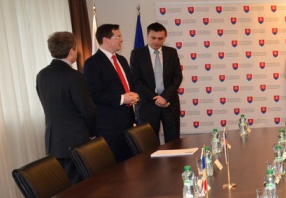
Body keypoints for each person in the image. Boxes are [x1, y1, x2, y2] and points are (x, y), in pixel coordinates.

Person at [35, 32, 98, 184]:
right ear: (71, 51)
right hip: (76, 142)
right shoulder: (74, 76)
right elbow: (87, 110)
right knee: (81, 188)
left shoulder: (41, 75)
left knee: (64, 188)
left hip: (54, 142)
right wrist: (93, 133)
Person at [84, 23, 139, 162]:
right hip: (109, 125)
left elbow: (128, 85)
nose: (122, 40)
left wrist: (133, 95)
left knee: (131, 163)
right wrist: (122, 99)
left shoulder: (122, 60)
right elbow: (94, 94)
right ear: (105, 39)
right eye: (118, 37)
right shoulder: (92, 63)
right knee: (114, 166)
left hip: (128, 121)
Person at [129, 22, 182, 143]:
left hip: (169, 103)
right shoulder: (137, 54)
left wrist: (164, 97)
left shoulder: (172, 53)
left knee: (173, 142)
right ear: (147, 36)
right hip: (147, 105)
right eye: (153, 38)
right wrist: (157, 99)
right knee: (149, 143)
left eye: (160, 38)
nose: (156, 41)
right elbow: (136, 81)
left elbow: (177, 77)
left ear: (165, 38)